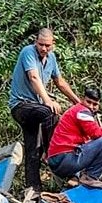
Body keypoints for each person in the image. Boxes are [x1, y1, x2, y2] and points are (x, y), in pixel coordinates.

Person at [8, 28, 80, 191]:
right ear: (36, 42)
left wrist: (78, 102)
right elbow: (33, 77)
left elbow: (60, 82)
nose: (44, 48)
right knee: (50, 113)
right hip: (21, 106)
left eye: (47, 45)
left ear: (53, 44)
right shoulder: (28, 52)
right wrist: (48, 101)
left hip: (36, 108)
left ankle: (33, 191)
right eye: (41, 44)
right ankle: (52, 153)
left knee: (32, 150)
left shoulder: (52, 58)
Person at [46, 87, 102, 189]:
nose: (91, 106)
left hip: (58, 160)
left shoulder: (76, 110)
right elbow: (95, 133)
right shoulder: (82, 111)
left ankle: (76, 177)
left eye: (95, 104)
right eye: (88, 102)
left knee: (87, 144)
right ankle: (90, 177)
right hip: (64, 159)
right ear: (82, 99)